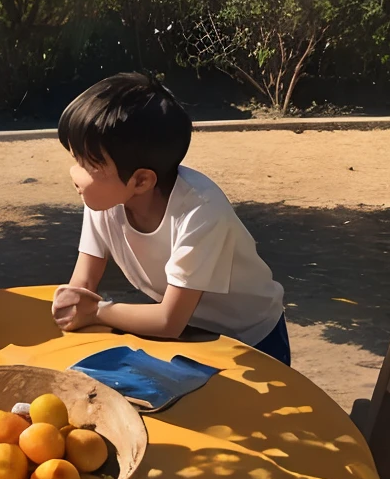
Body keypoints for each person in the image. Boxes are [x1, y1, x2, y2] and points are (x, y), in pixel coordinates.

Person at [51, 72, 290, 363]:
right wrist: (72, 303)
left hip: (249, 339)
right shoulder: (107, 198)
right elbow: (83, 283)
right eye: (76, 159)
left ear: (141, 181)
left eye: (89, 165)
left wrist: (97, 311)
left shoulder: (201, 211)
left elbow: (168, 321)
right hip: (190, 335)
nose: (75, 175)